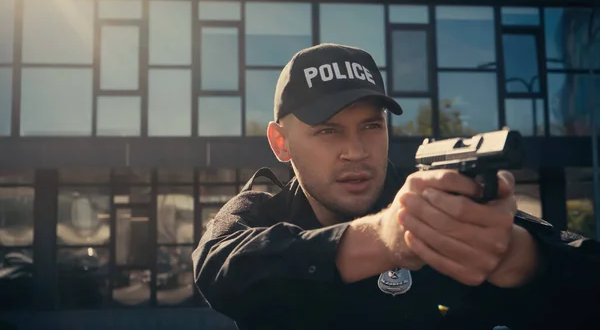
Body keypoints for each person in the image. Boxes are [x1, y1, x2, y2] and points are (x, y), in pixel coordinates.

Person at [192, 43, 600, 330]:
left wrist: (520, 258)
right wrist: (389, 236)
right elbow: (220, 265)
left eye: (371, 126)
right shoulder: (263, 210)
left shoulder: (437, 204)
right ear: (281, 143)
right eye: (327, 131)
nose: (355, 151)